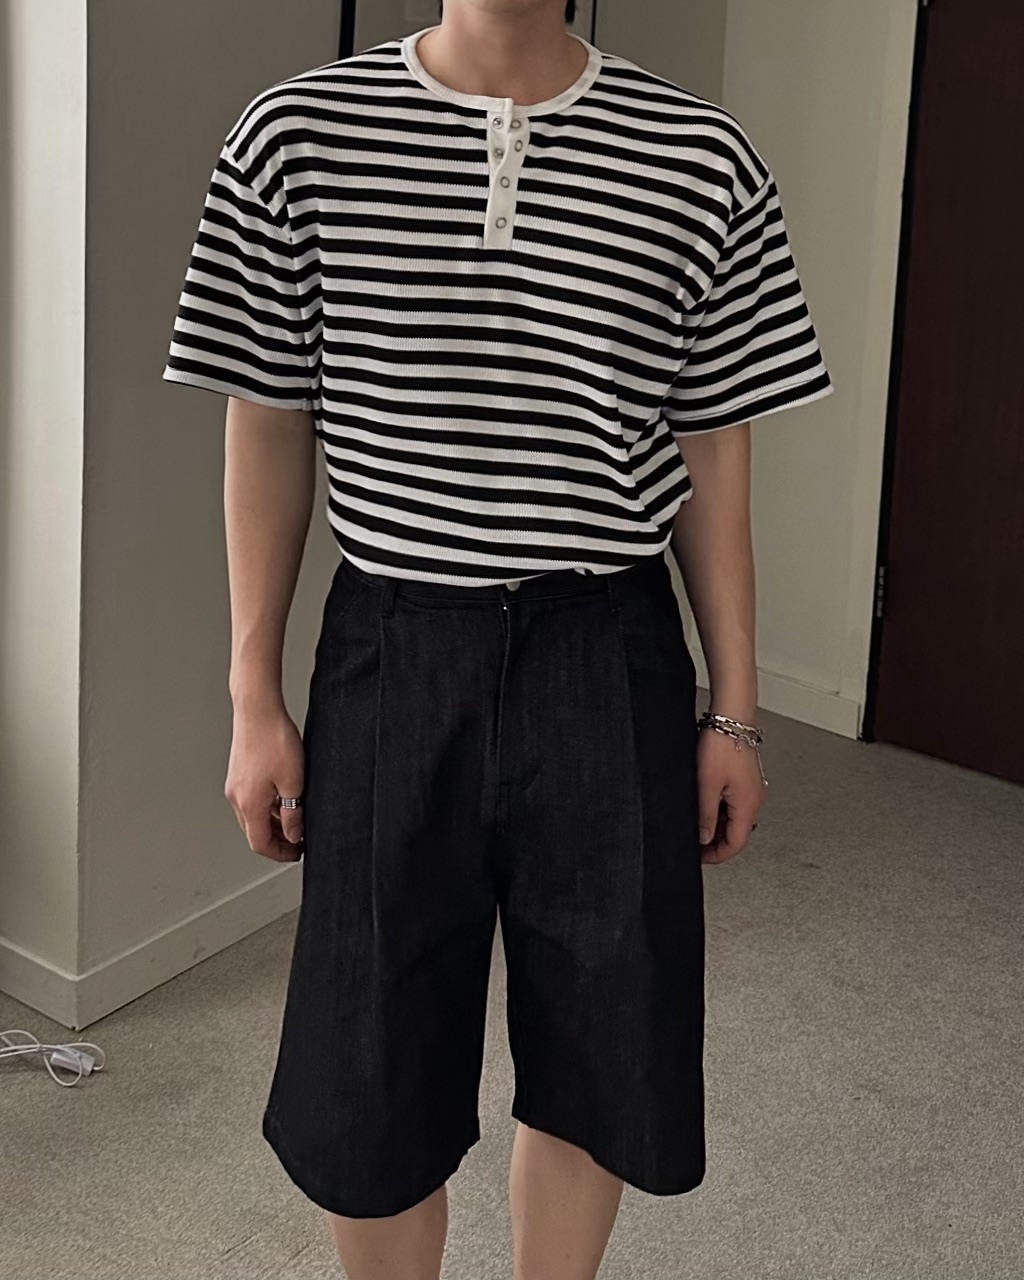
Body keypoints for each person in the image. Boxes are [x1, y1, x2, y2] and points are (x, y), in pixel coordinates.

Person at [162, 0, 832, 1275]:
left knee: (598, 1038)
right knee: (371, 1056)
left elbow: (712, 446)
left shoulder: (700, 156)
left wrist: (736, 708)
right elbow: (267, 418)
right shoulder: (294, 136)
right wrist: (252, 694)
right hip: (395, 644)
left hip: (607, 644)